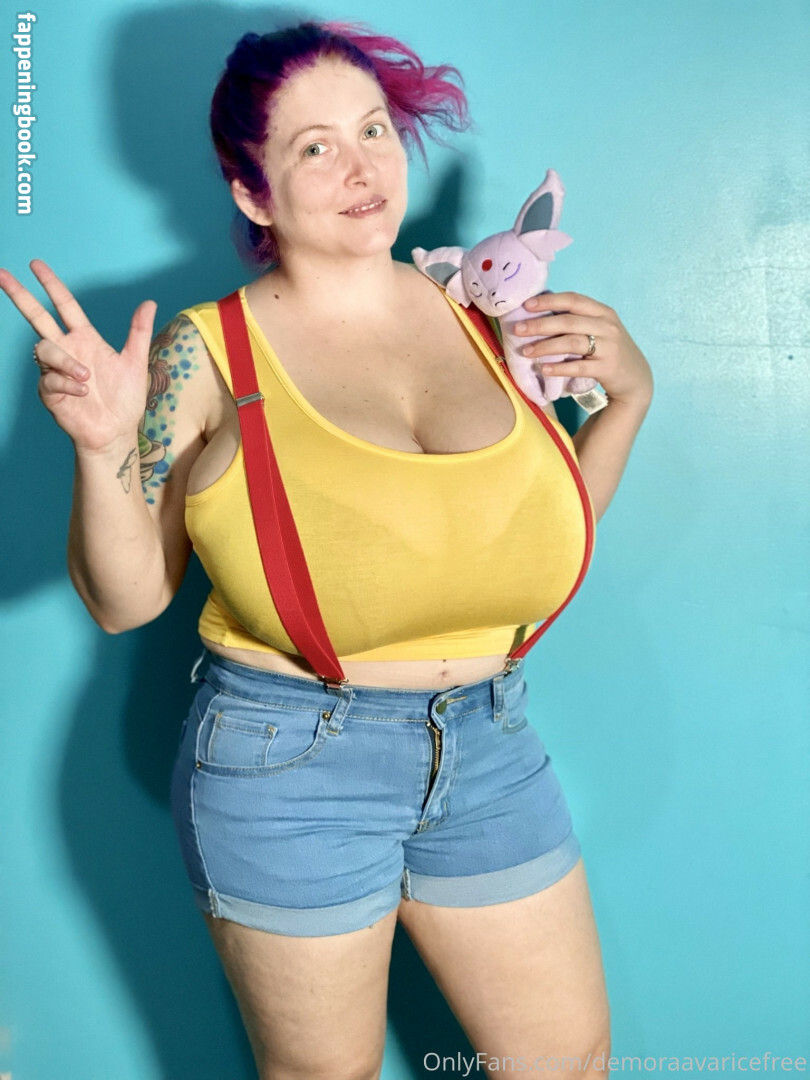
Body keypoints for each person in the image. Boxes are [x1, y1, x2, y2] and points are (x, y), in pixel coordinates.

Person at [0, 20, 653, 1080]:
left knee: (567, 1063)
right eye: (316, 146)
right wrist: (105, 448)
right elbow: (126, 601)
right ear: (252, 192)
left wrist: (629, 401)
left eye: (375, 129)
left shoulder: (483, 314)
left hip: (489, 745)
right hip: (290, 764)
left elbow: (535, 531)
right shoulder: (206, 353)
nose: (363, 167)